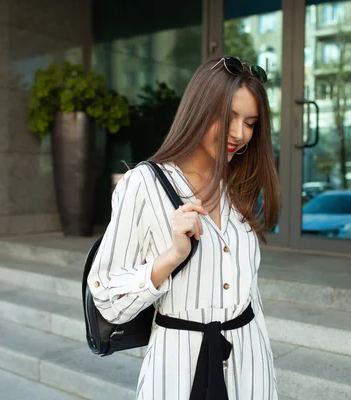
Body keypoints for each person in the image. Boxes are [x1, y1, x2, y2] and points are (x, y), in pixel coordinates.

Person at [87, 56, 281, 400]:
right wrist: (172, 256)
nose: (240, 134)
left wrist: (263, 375)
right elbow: (107, 298)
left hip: (249, 365)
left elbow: (249, 292)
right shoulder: (143, 184)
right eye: (229, 118)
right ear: (199, 110)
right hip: (177, 368)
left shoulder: (237, 184)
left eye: (250, 123)